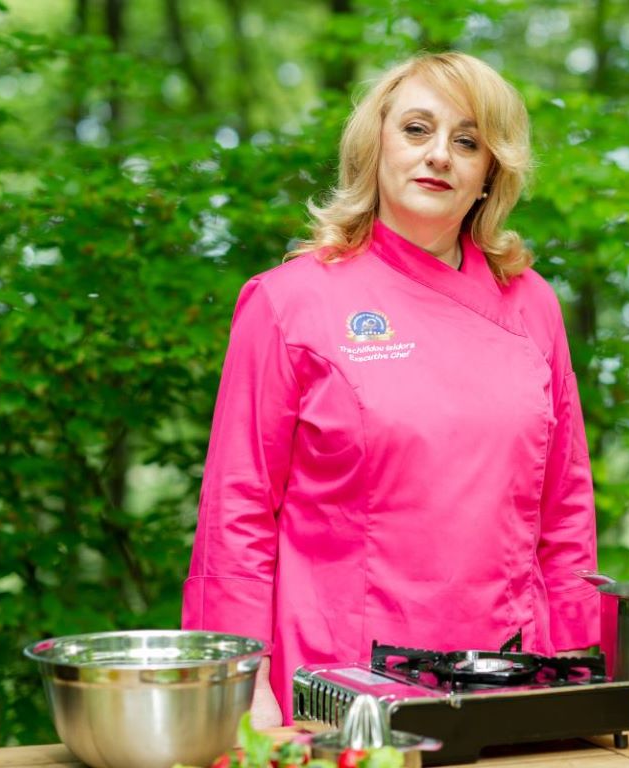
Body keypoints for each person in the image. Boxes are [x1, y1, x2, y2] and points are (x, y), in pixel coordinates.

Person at [182, 51, 599, 727]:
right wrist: (238, 682)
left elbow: (565, 504)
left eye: (467, 142)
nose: (439, 155)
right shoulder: (290, 302)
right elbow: (238, 510)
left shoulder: (532, 304)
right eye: (416, 129)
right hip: (338, 682)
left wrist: (579, 659)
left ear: (490, 174)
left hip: (511, 674)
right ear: (374, 145)